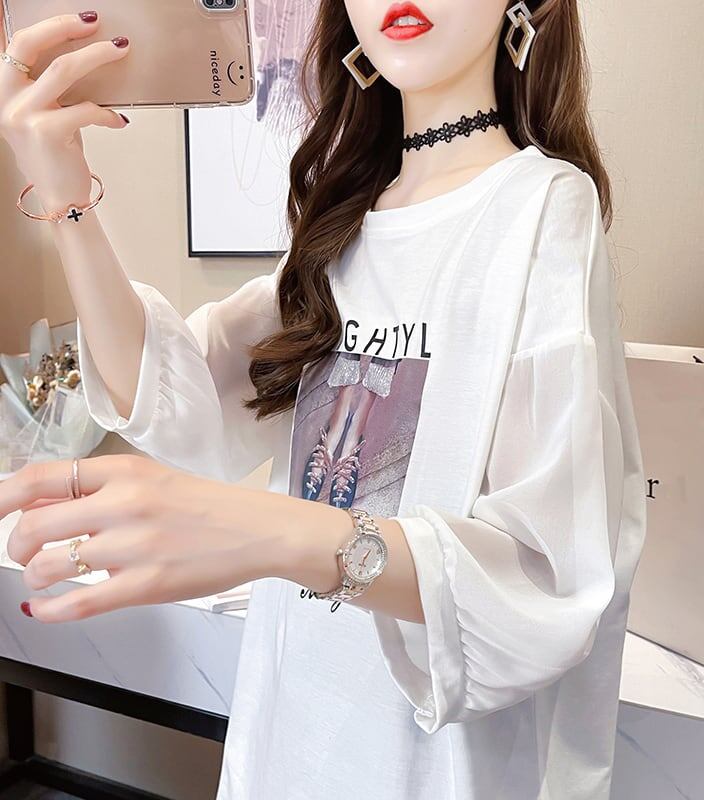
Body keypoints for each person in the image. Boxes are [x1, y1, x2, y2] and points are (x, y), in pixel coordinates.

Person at [0, 2, 647, 798]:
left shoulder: (544, 207)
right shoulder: (343, 219)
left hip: (427, 764)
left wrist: (266, 531)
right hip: (289, 732)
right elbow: (176, 401)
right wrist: (65, 195)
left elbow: (545, 579)